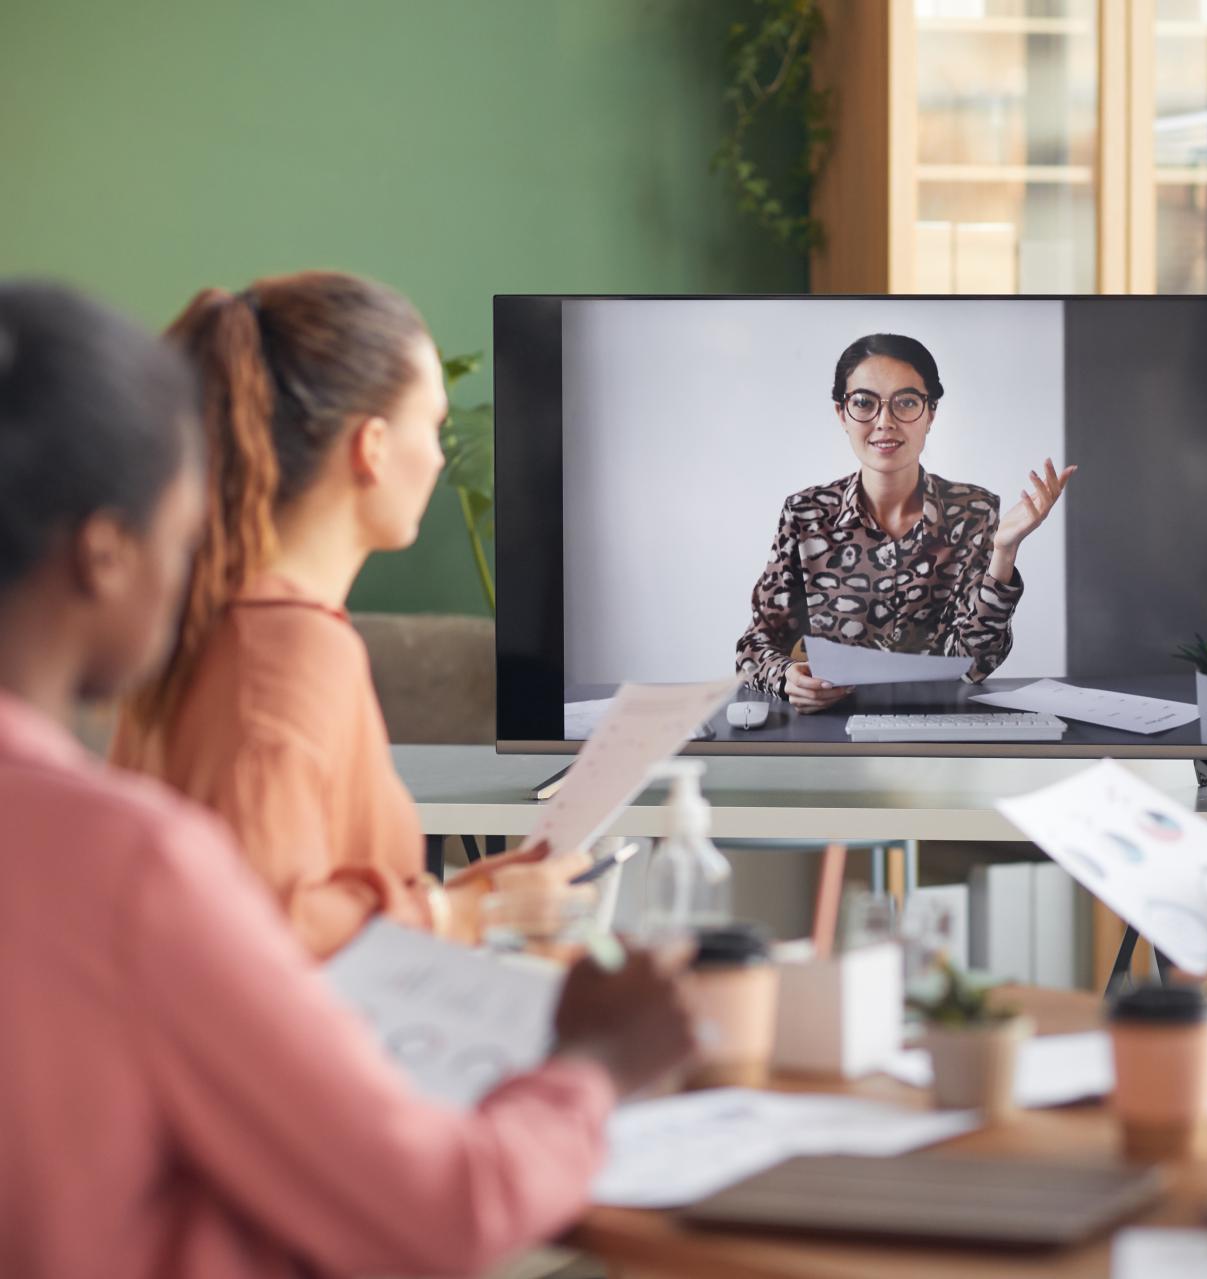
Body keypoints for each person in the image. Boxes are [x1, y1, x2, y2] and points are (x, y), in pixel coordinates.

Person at [0, 280, 695, 1278]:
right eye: (176, 510)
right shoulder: (143, 846)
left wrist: (450, 909)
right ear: (104, 551)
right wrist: (596, 1063)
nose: (194, 545)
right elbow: (445, 1204)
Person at [113, 271, 572, 957]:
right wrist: (452, 914)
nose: (441, 455)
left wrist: (459, 900)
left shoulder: (217, 621)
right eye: (435, 424)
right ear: (374, 446)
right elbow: (263, 930)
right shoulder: (286, 647)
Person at [734, 332, 1075, 713]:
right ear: (841, 414)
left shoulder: (974, 511)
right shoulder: (806, 513)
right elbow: (754, 647)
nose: (885, 422)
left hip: (940, 727)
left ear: (930, 414)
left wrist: (1004, 551)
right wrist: (788, 678)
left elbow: (975, 664)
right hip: (831, 728)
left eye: (907, 402)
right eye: (863, 403)